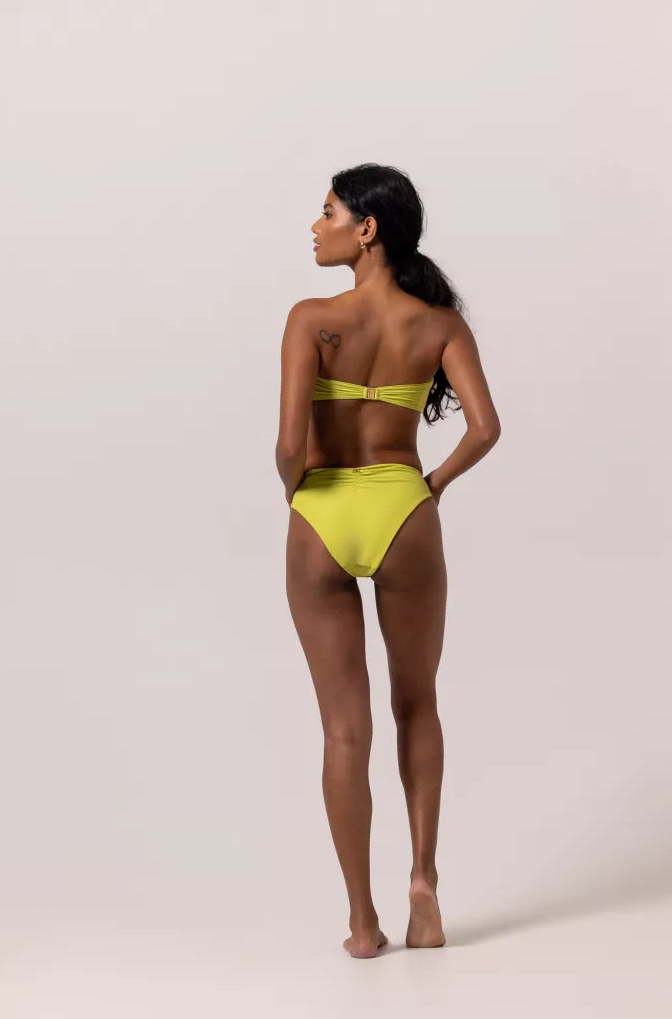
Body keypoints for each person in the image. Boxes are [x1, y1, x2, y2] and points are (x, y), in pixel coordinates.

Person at [275, 163, 501, 959]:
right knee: (417, 704)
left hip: (323, 512)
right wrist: (429, 485)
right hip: (405, 511)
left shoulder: (311, 318)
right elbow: (484, 427)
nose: (315, 226)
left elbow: (289, 445)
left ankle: (362, 924)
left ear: (365, 229)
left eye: (327, 211)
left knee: (344, 729)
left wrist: (302, 499)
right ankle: (423, 885)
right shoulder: (437, 326)